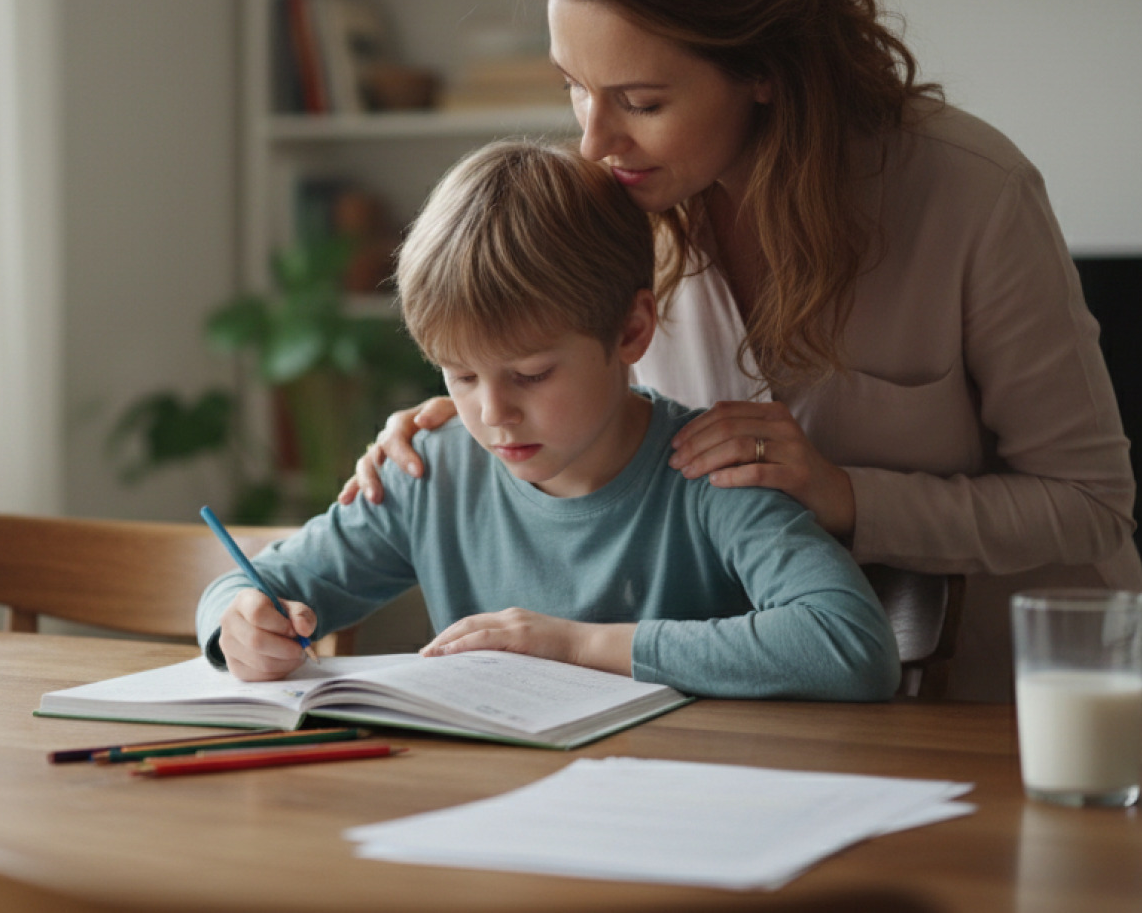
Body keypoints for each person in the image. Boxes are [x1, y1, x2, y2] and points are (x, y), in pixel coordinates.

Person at [339, 0, 1142, 704]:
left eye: (643, 102)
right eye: (576, 87)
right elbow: (611, 428)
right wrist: (479, 407)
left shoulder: (972, 195)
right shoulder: (617, 202)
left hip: (1015, 708)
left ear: (766, 68)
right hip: (746, 722)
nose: (594, 141)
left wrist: (844, 494)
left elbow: (1089, 502)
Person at [198, 140, 901, 703]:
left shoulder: (709, 473)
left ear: (631, 329)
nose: (492, 412)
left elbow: (849, 644)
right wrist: (237, 622)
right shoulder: (430, 470)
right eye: (461, 375)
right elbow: (249, 584)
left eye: (531, 374)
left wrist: (575, 645)